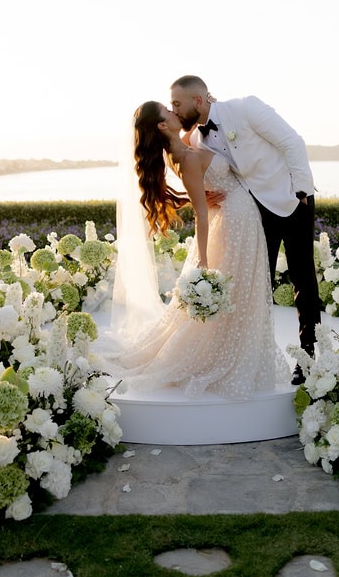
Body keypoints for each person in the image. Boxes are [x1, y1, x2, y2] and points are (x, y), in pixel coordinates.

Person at [100, 100, 290, 399]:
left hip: (241, 220)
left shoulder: (184, 144)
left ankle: (239, 352)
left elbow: (201, 154)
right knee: (236, 292)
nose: (176, 113)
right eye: (169, 111)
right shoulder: (184, 157)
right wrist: (202, 259)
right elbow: (201, 215)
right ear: (163, 125)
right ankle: (219, 358)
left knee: (244, 292)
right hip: (231, 225)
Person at [169, 75, 321, 385]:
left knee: (302, 277)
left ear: (198, 101)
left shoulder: (247, 108)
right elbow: (176, 158)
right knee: (255, 286)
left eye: (177, 104)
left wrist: (302, 190)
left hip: (292, 200)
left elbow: (292, 141)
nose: (174, 110)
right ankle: (253, 356)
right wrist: (194, 197)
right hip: (253, 214)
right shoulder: (197, 140)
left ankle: (308, 355)